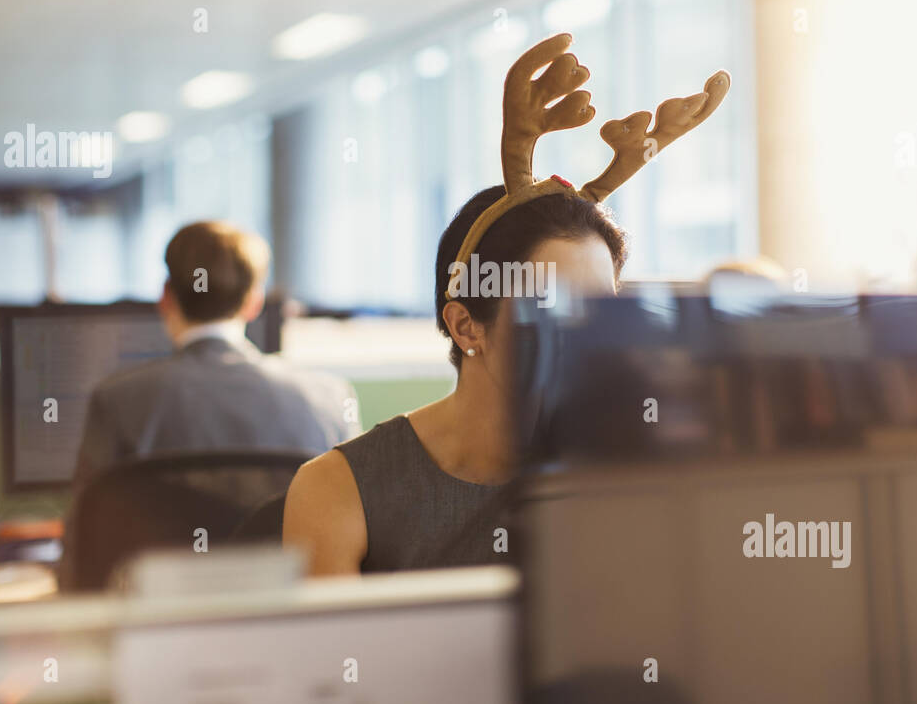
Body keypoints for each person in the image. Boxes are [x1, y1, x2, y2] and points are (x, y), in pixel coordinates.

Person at [283, 33, 730, 575]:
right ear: (467, 326)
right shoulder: (340, 489)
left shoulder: (630, 472)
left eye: (601, 312)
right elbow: (335, 661)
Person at [61, 221, 360, 584]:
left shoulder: (116, 401)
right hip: (286, 627)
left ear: (166, 297)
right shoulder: (328, 400)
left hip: (160, 628)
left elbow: (80, 558)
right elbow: (354, 551)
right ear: (254, 301)